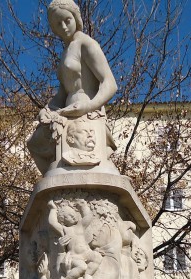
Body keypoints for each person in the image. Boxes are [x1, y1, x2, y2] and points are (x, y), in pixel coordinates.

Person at [27, 0, 118, 173]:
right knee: (34, 143)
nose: (64, 27)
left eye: (67, 20)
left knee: (79, 168)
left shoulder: (87, 43)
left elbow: (110, 83)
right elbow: (63, 93)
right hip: (66, 111)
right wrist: (48, 109)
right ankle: (54, 190)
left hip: (86, 110)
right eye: (58, 24)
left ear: (75, 17)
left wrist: (89, 105)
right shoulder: (66, 51)